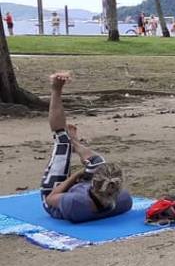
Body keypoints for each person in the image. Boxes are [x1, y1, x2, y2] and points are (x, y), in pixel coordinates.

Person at [40, 72, 132, 223]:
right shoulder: (125, 200)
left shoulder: (75, 204)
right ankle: (75, 142)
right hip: (95, 193)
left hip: (55, 201)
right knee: (98, 162)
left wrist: (77, 175)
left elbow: (50, 199)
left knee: (62, 140)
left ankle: (56, 90)